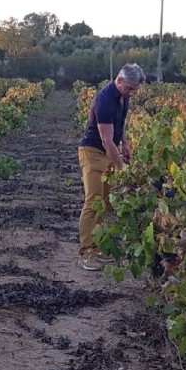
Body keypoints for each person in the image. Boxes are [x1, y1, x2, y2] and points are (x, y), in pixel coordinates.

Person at [77, 63, 145, 271]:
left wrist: (125, 144)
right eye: (130, 88)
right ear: (119, 80)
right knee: (93, 201)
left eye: (135, 89)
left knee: (106, 203)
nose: (133, 93)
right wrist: (121, 168)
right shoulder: (104, 100)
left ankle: (97, 246)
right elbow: (106, 140)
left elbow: (119, 125)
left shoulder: (124, 97)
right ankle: (85, 252)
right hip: (93, 152)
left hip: (109, 151)